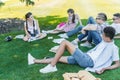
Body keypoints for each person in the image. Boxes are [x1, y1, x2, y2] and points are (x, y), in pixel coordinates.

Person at [28, 27, 120, 74]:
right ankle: (34, 60)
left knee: (65, 42)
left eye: (103, 35)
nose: (102, 36)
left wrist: (105, 68)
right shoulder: (105, 41)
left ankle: (52, 66)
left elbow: (117, 64)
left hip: (88, 61)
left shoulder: (113, 48)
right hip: (85, 57)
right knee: (59, 57)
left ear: (108, 37)